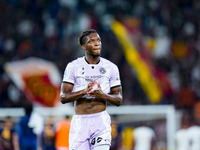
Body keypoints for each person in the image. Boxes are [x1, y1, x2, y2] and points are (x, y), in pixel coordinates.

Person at [60, 29, 123, 150]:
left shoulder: (111, 67)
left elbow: (119, 99)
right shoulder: (73, 66)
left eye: (98, 40)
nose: (97, 43)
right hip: (80, 123)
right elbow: (63, 97)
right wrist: (84, 91)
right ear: (84, 46)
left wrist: (102, 95)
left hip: (100, 121)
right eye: (92, 41)